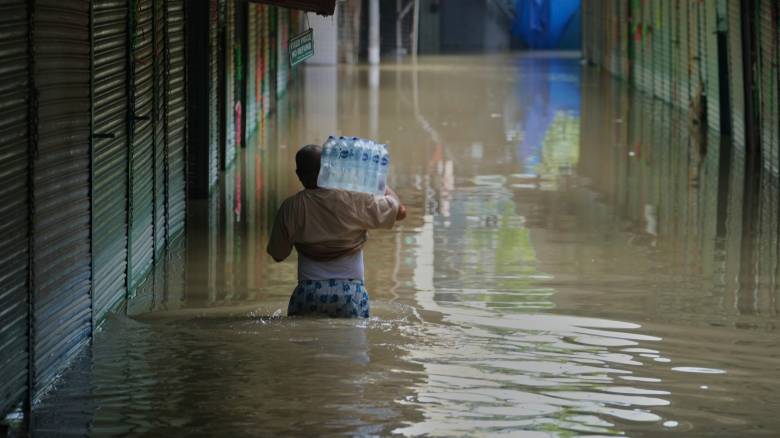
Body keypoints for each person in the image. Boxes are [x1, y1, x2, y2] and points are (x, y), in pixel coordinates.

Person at [267, 144, 407, 318]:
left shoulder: (290, 207)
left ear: (299, 175)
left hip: (308, 294)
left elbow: (278, 254)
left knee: (305, 344)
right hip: (350, 296)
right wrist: (374, 181)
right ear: (329, 169)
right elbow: (400, 212)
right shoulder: (355, 198)